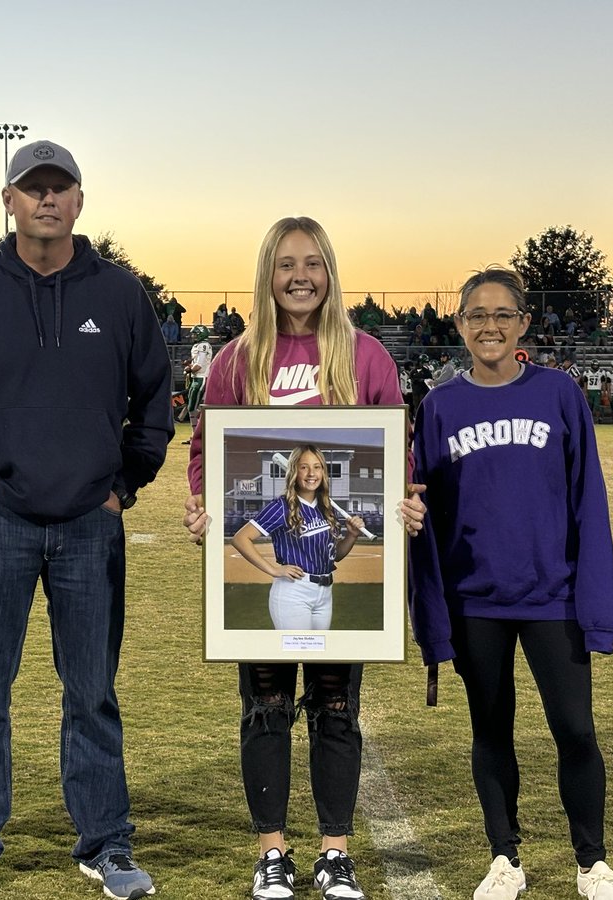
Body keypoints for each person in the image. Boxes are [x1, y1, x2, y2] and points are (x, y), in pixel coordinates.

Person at [0, 139, 172, 900]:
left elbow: (156, 402)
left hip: (91, 523)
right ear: (9, 200)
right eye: (32, 187)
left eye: (60, 187)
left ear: (80, 201)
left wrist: (123, 486)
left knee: (92, 693)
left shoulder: (120, 294)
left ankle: (106, 844)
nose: (47, 199)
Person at [182, 217, 426, 900]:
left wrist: (406, 501)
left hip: (325, 583)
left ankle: (334, 854)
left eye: (313, 263)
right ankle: (272, 854)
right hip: (283, 585)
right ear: (268, 272)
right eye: (286, 263)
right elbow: (205, 450)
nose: (300, 276)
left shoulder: (365, 355)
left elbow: (399, 450)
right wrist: (202, 505)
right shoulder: (237, 359)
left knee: (335, 706)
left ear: (330, 272)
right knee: (266, 705)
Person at [410, 267, 613, 900]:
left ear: (524, 323)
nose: (490, 326)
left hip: (552, 596)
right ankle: (504, 858)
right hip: (475, 600)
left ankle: (592, 864)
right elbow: (423, 503)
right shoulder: (439, 406)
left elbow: (588, 497)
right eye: (476, 315)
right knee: (490, 730)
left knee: (576, 729)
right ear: (459, 326)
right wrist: (411, 513)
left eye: (502, 314)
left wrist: (594, 604)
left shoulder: (559, 393)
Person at [230, 444, 366, 630]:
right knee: (296, 647)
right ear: (294, 471)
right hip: (294, 591)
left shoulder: (327, 508)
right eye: (304, 467)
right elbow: (240, 538)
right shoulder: (281, 506)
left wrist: (352, 536)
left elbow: (335, 555)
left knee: (318, 649)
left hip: (325, 593)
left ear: (323, 472)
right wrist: (274, 570)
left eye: (317, 467)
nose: (311, 473)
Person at [179, 324, 213, 433]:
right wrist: (189, 364)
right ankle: (195, 433)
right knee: (191, 406)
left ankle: (201, 429)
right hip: (196, 378)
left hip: (201, 378)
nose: (193, 336)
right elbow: (196, 362)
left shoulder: (203, 345)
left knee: (192, 407)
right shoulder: (198, 345)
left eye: (195, 334)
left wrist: (189, 369)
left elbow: (199, 365)